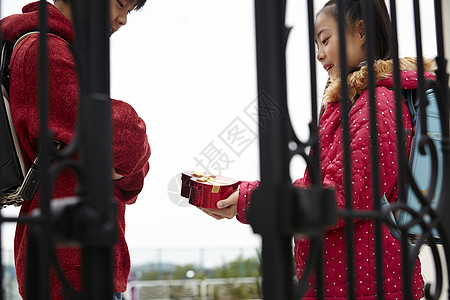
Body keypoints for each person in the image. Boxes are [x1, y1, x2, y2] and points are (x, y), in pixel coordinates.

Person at [200, 0, 436, 298]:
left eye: (325, 39)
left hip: (365, 285)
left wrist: (255, 198)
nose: (319, 53)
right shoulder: (354, 104)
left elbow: (342, 196)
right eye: (316, 44)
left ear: (361, 32)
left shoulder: (377, 103)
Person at [1, 0, 151, 299]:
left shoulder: (56, 48)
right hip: (70, 261)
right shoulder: (44, 51)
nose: (123, 20)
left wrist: (120, 168)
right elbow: (128, 142)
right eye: (121, 3)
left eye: (130, 10)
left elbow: (119, 155)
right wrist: (125, 165)